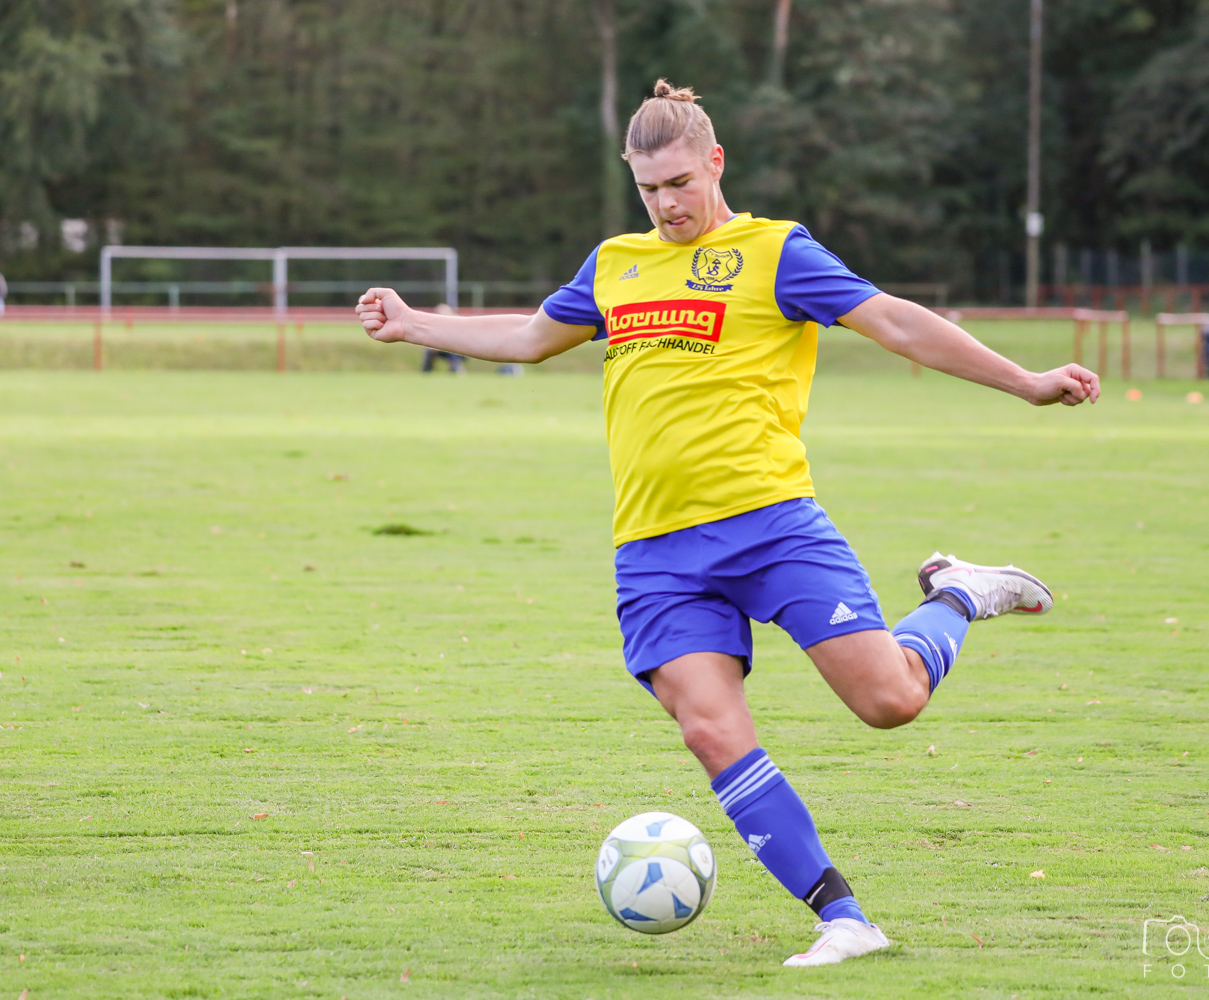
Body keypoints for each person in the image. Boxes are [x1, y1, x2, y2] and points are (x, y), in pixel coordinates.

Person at [356, 80, 1099, 967]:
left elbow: (897, 324)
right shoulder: (615, 265)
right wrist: (414, 325)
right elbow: (527, 338)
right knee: (709, 730)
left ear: (714, 162)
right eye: (648, 189)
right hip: (655, 553)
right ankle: (843, 919)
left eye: (679, 182)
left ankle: (958, 595)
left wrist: (1026, 382)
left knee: (890, 702)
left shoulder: (775, 252)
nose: (666, 204)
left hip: (771, 526)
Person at [421, 302, 466, 373]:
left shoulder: (456, 322)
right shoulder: (435, 325)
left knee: (454, 352)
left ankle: (455, 369)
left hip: (456, 350)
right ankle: (426, 371)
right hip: (441, 349)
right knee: (429, 351)